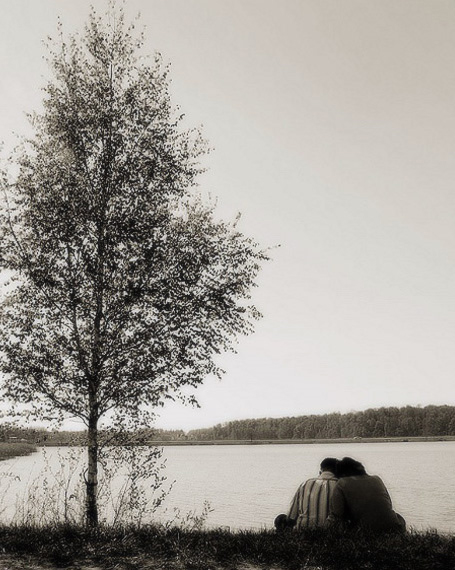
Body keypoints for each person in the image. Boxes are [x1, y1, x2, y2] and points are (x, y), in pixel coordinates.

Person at [326, 457, 406, 533]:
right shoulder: (377, 479)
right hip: (395, 527)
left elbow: (336, 515)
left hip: (366, 531)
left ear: (341, 474)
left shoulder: (342, 483)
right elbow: (389, 504)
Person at [275, 457, 339, 530]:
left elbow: (291, 517)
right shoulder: (339, 486)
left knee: (281, 518)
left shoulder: (305, 484)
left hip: (303, 532)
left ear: (320, 471)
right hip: (330, 533)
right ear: (337, 472)